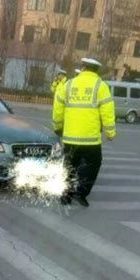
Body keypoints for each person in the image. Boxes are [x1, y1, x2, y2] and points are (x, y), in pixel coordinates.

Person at [52, 57, 116, 207]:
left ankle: (65, 195)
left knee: (69, 166)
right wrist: (110, 133)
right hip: (91, 140)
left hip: (69, 138)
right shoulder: (101, 86)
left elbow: (57, 109)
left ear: (83, 68)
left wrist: (57, 127)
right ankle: (81, 193)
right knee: (93, 165)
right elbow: (108, 112)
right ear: (96, 70)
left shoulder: (68, 85)